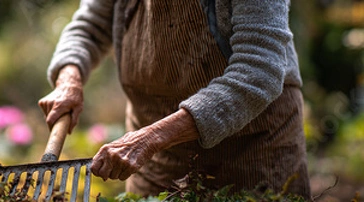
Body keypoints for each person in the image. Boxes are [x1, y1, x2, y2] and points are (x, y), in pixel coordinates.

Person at [38, 0, 311, 198]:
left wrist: (149, 139)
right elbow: (88, 28)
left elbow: (258, 72)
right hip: (156, 163)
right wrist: (69, 80)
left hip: (250, 153)